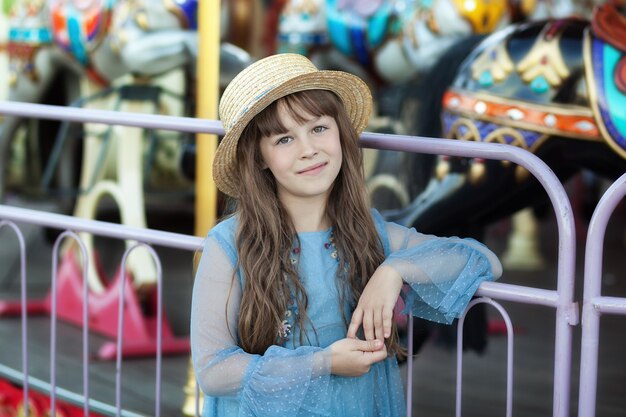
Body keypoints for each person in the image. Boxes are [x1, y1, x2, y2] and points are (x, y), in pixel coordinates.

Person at [190, 53, 502, 417]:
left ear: (339, 132)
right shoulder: (229, 244)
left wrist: (395, 270)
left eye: (318, 128)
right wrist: (323, 362)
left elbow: (484, 261)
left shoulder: (368, 232)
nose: (309, 150)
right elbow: (213, 371)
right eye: (284, 139)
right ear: (259, 157)